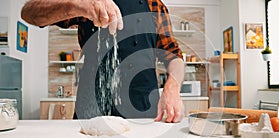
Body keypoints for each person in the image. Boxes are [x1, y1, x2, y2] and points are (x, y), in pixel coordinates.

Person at [21, 0, 185, 123]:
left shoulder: (154, 6)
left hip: (143, 109)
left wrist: (173, 85)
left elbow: (173, 55)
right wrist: (80, 4)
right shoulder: (89, 1)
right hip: (91, 110)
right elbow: (30, 13)